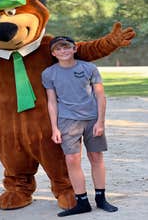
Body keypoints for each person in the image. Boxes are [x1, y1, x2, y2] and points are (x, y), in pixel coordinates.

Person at [41, 36, 118, 217]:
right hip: (67, 122)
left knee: (96, 157)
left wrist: (100, 122)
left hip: (92, 119)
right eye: (58, 49)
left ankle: (101, 198)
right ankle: (82, 202)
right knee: (72, 160)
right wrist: (54, 128)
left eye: (66, 47)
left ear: (74, 49)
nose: (63, 51)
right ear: (53, 53)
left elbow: (100, 96)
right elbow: (51, 102)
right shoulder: (49, 73)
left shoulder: (89, 68)